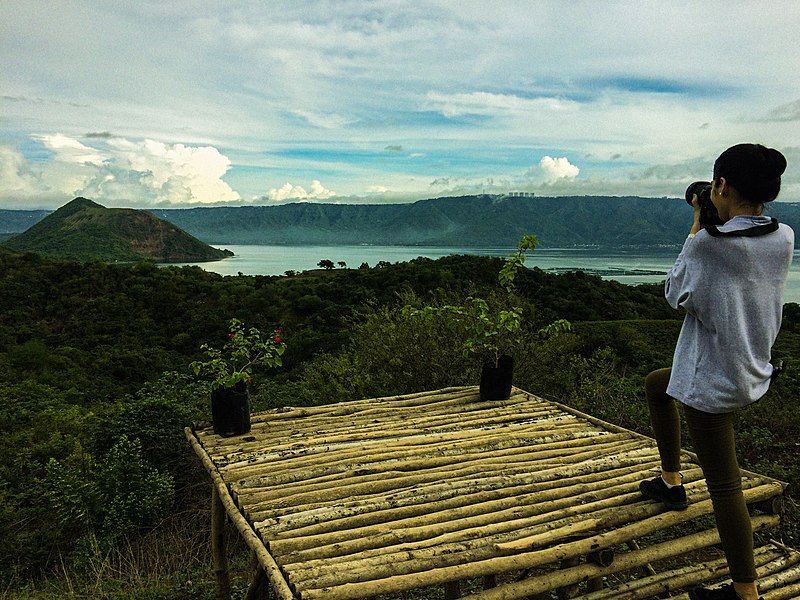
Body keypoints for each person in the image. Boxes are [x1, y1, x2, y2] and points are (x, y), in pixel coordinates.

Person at [639, 143, 793, 600]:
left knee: (725, 487)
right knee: (656, 385)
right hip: (750, 365)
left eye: (714, 184)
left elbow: (676, 292)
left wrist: (696, 223)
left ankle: (745, 592)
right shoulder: (782, 236)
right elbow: (738, 258)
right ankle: (670, 481)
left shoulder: (709, 245)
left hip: (713, 382)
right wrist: (715, 215)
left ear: (721, 184)